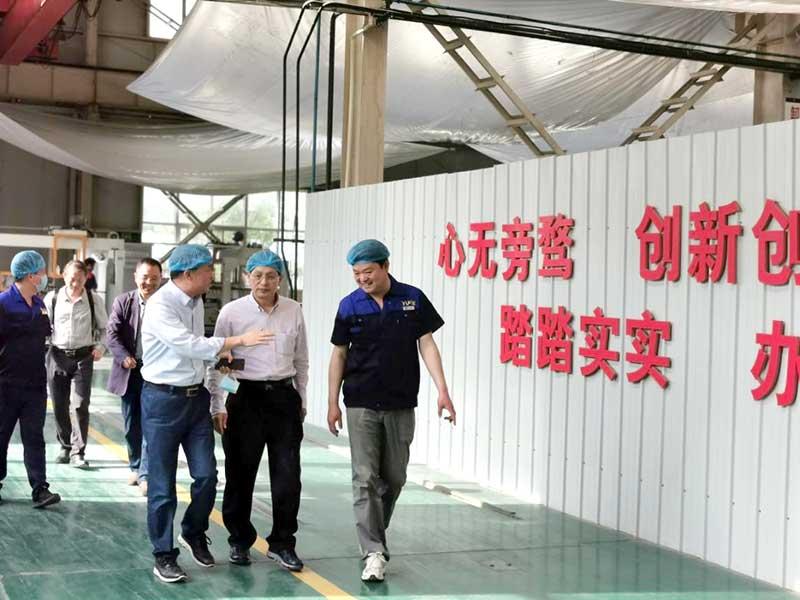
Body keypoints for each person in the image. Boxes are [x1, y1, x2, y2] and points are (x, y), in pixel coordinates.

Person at [140, 244, 272, 584]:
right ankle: (163, 554)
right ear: (188, 274)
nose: (212, 276)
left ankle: (193, 530)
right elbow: (188, 344)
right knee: (162, 485)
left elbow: (199, 349)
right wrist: (237, 341)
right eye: (207, 271)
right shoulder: (160, 305)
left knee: (207, 476)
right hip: (162, 401)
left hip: (195, 399)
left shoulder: (195, 301)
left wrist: (219, 369)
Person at [327, 239, 456, 582]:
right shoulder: (349, 305)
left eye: (368, 271)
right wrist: (332, 402)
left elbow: (427, 343)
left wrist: (442, 390)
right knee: (365, 478)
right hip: (360, 401)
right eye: (356, 274)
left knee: (395, 477)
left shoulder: (412, 298)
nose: (362, 279)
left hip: (401, 402)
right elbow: (339, 354)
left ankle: (374, 535)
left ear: (385, 266)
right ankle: (373, 551)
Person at [207, 249, 308, 571]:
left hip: (283, 398)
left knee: (288, 476)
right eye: (258, 276)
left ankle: (283, 543)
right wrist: (218, 405)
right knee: (240, 474)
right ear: (247, 277)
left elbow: (301, 359)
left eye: (271, 276)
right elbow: (219, 363)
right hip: (244, 398)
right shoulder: (232, 313)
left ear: (280, 279)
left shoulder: (293, 310)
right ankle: (239, 541)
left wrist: (301, 399)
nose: (264, 282)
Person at [0, 251, 61, 509]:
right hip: (5, 384)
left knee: (34, 437)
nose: (44, 276)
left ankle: (40, 489)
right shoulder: (3, 303)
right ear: (29, 275)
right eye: (41, 272)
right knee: (1, 436)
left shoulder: (39, 304)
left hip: (35, 385)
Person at [106, 258, 163, 495]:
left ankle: (146, 474)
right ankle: (135, 465)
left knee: (151, 422)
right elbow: (112, 334)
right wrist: (124, 356)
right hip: (130, 371)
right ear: (136, 277)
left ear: (161, 279)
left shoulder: (166, 304)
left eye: (154, 278)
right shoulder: (123, 301)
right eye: (145, 277)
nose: (149, 282)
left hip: (156, 372)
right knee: (132, 424)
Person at [45, 259, 108, 469]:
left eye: (80, 280)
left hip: (83, 357)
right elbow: (43, 327)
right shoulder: (52, 298)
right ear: (64, 276)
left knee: (80, 405)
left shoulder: (93, 299)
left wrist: (101, 347)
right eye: (72, 279)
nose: (76, 284)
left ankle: (78, 452)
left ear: (86, 279)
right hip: (57, 356)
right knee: (59, 404)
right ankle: (65, 445)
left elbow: (105, 329)